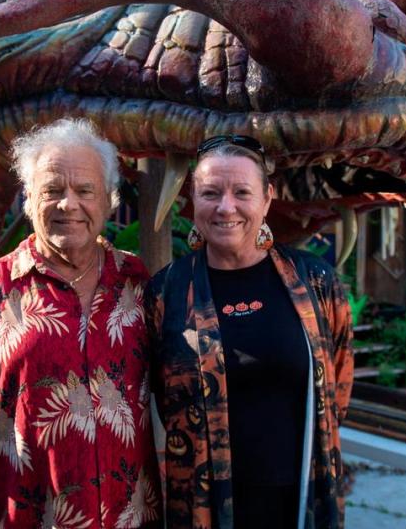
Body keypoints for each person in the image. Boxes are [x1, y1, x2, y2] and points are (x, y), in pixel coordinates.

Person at [0, 118, 161, 528]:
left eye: (84, 191)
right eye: (52, 191)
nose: (68, 204)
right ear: (29, 198)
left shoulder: (137, 283)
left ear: (108, 199)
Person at [145, 135, 354, 529]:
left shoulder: (315, 282)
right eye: (210, 193)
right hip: (204, 503)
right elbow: (162, 391)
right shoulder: (166, 292)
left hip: (301, 495)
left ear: (267, 198)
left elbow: (338, 383)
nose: (226, 207)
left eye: (242, 192)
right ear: (192, 199)